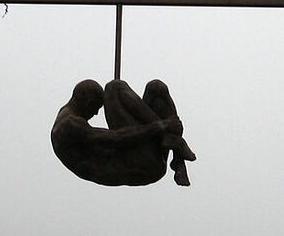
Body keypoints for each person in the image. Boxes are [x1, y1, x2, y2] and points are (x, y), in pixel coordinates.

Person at [51, 78, 196, 187]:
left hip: (142, 158)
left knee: (156, 88)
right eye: (96, 108)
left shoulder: (66, 117)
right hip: (138, 164)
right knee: (114, 88)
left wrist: (161, 126)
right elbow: (116, 139)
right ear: (88, 102)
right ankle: (173, 141)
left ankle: (177, 159)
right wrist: (160, 125)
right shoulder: (70, 126)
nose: (95, 113)